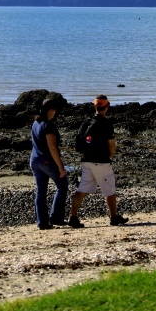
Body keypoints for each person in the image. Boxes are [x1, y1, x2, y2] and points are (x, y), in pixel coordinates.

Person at [68, 95, 128, 227]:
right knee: (109, 190)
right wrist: (109, 157)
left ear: (95, 106)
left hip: (86, 160)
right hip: (101, 162)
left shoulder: (86, 122)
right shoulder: (106, 124)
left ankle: (73, 216)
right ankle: (113, 217)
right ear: (107, 106)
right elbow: (111, 145)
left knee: (82, 189)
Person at [30, 97, 68, 229]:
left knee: (41, 191)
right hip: (46, 161)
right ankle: (56, 217)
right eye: (55, 110)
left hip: (34, 160)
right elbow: (52, 147)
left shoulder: (36, 123)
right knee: (62, 185)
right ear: (51, 110)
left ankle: (42, 222)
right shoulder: (48, 126)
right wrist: (61, 167)